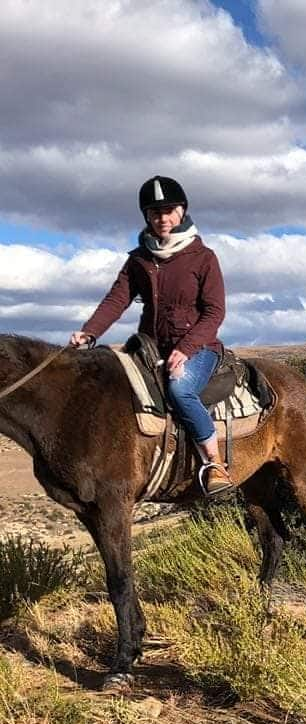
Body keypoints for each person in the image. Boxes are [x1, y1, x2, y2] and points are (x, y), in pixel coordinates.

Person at [70, 176, 232, 495]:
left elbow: (215, 312)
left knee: (180, 390)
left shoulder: (203, 258)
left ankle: (214, 463)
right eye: (155, 213)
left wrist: (185, 349)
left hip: (199, 348)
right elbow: (117, 300)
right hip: (149, 347)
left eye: (169, 210)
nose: (163, 219)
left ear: (182, 211)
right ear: (147, 216)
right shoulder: (139, 259)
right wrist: (89, 333)